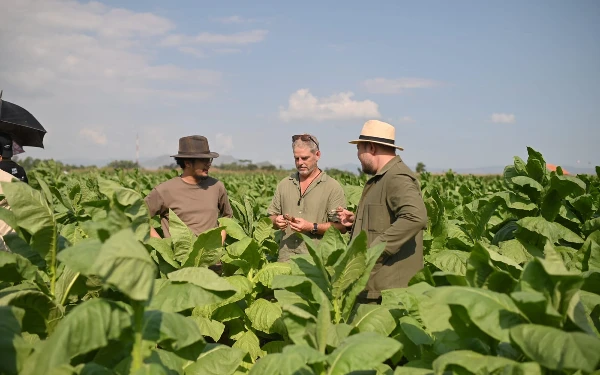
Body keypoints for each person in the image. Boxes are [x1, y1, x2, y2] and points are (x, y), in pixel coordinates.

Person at [337, 120, 428, 304]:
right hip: (373, 289)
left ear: (371, 147)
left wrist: (374, 251)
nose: (358, 155)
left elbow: (415, 217)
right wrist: (357, 220)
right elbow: (387, 218)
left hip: (387, 293)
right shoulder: (381, 178)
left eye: (359, 149)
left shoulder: (397, 177)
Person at [268, 133, 348, 262]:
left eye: (305, 158)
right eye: (296, 158)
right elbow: (271, 216)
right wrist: (276, 220)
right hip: (285, 261)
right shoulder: (284, 184)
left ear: (317, 155)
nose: (300, 163)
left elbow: (341, 227)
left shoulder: (332, 187)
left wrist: (311, 227)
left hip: (315, 265)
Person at [144, 135, 233, 245]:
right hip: (179, 261)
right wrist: (162, 246)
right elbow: (139, 217)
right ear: (187, 163)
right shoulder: (164, 190)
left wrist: (218, 242)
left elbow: (227, 216)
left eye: (209, 159)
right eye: (203, 160)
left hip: (213, 261)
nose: (209, 164)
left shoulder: (217, 186)